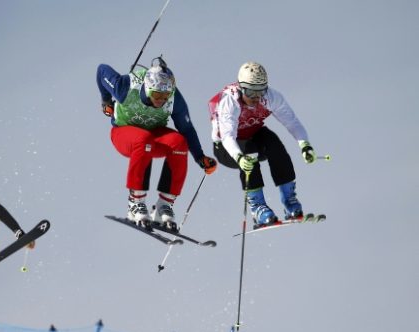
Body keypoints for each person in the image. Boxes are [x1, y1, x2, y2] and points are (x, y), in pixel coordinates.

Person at [96, 57, 217, 230]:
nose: (161, 100)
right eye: (156, 95)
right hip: (124, 133)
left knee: (178, 142)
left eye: (165, 95)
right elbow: (102, 70)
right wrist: (106, 100)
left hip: (153, 136)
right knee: (142, 139)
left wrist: (200, 157)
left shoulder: (174, 98)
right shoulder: (126, 86)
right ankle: (135, 202)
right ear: (147, 88)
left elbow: (187, 129)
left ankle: (164, 205)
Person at [208, 61, 317, 227]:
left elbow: (292, 122)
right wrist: (239, 157)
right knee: (249, 156)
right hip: (226, 148)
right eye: (251, 91)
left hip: (253, 136)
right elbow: (228, 136)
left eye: (260, 91)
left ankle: (290, 201)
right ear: (241, 87)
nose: (256, 97)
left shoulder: (271, 97)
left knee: (274, 144)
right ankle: (258, 207)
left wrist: (305, 145)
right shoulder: (230, 101)